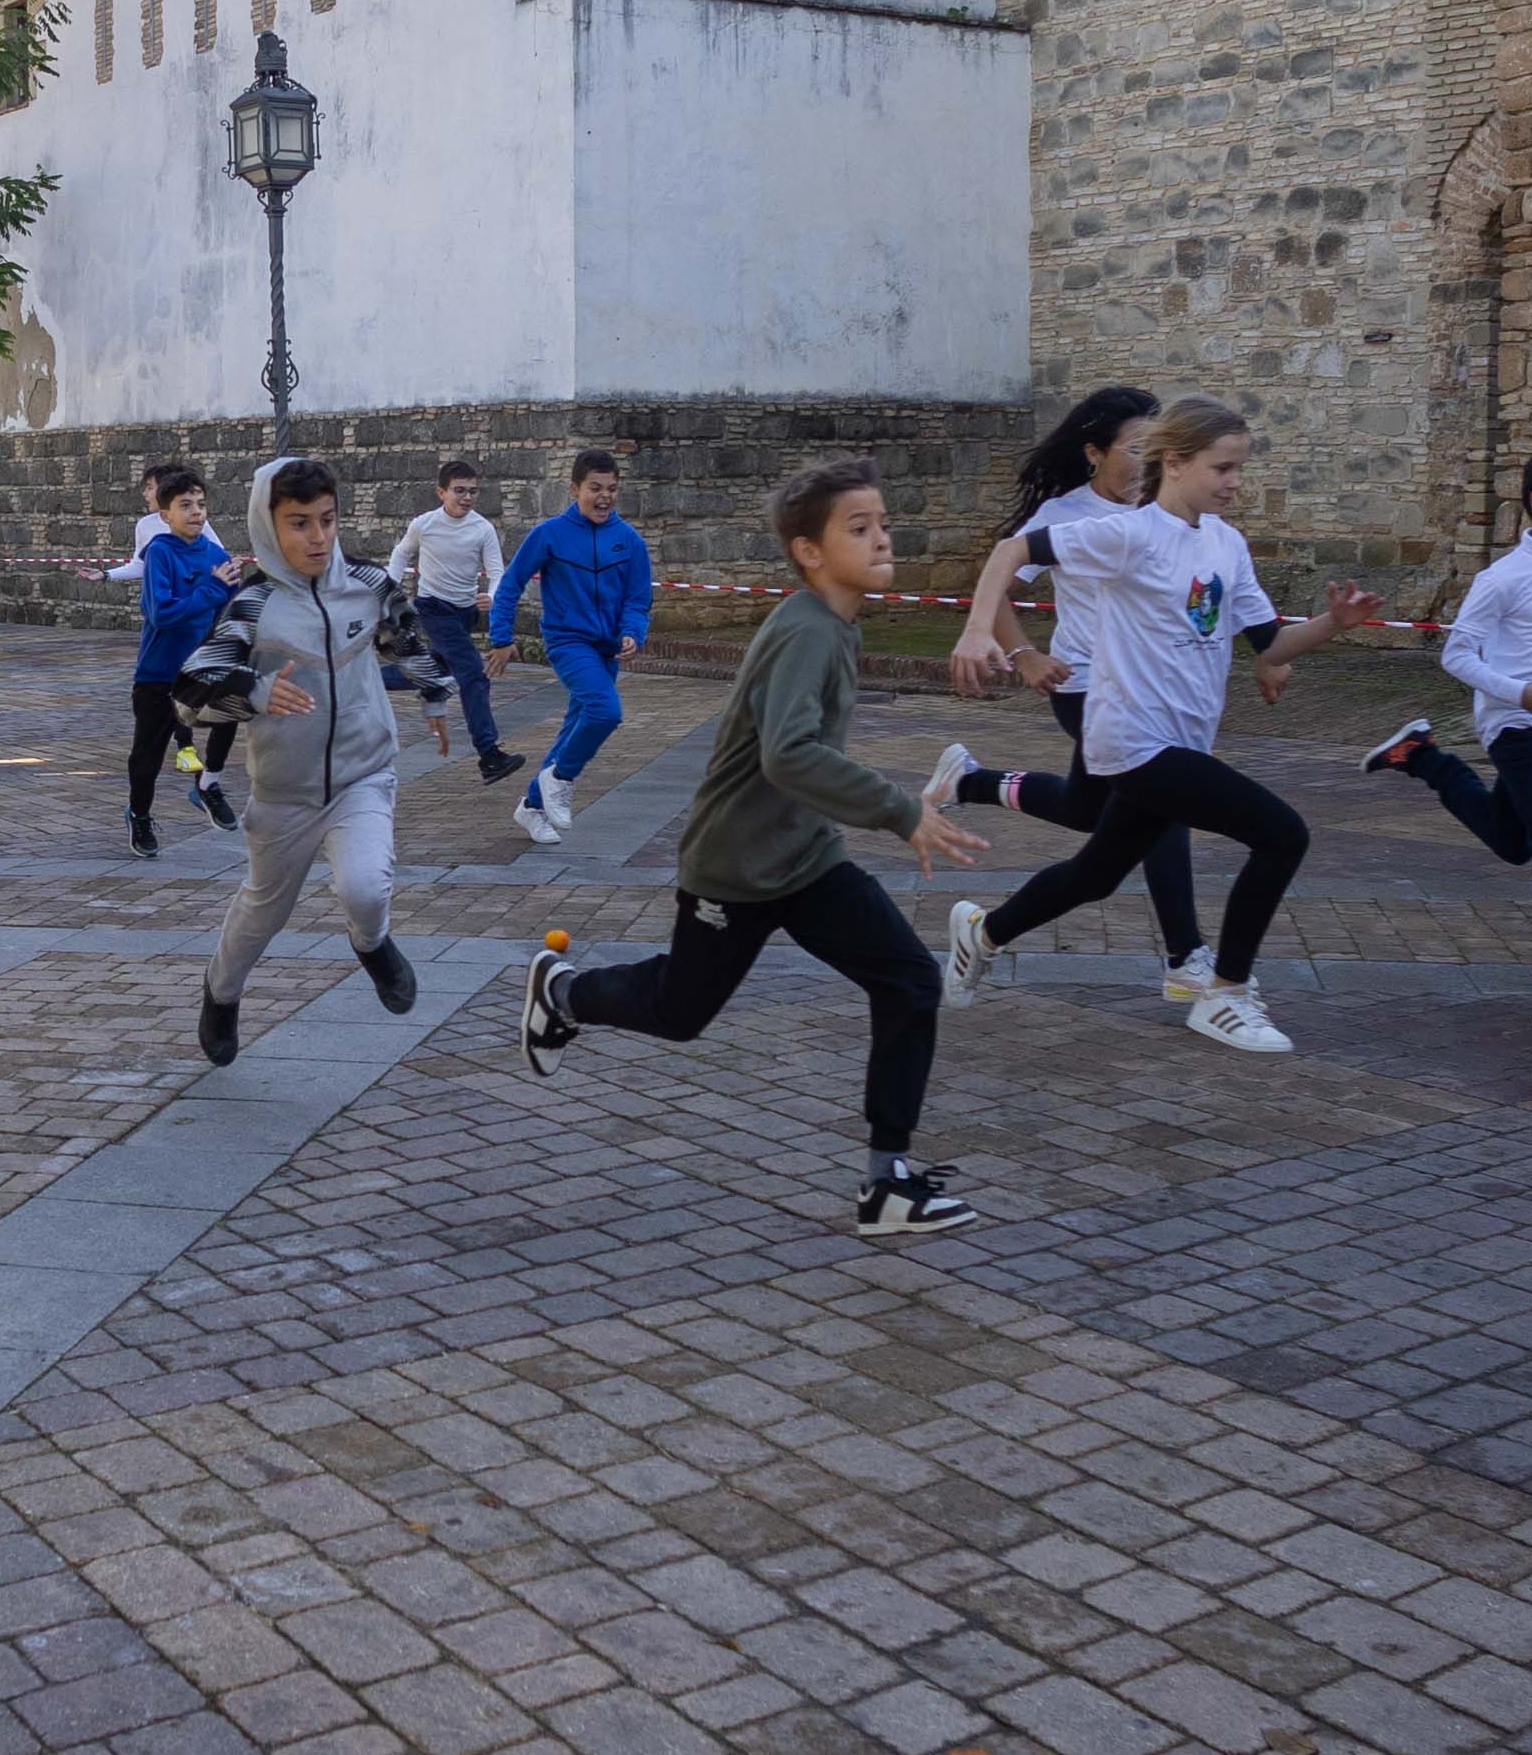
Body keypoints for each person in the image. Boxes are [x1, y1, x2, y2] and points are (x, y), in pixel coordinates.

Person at [514, 457, 989, 1234]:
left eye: (883, 524)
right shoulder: (805, 631)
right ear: (808, 550)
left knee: (907, 980)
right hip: (735, 865)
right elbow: (789, 755)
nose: (881, 539)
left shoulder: (835, 624)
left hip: (803, 858)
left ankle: (887, 1183)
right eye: (858, 528)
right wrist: (900, 812)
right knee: (678, 1011)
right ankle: (560, 994)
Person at [936, 398, 1378, 1056]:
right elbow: (1011, 551)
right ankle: (1224, 994)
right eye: (1222, 468)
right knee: (1282, 834)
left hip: (1181, 740)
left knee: (1096, 874)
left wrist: (1330, 627)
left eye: (1239, 469)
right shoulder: (1128, 536)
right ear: (1174, 462)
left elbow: (1270, 645)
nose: (1234, 482)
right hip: (1133, 742)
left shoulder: (1226, 544)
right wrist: (981, 633)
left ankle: (984, 932)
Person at [943, 387, 1206, 999]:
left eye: (1158, 448)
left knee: (1091, 813)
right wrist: (1023, 653)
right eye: (1136, 448)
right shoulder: (1063, 516)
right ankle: (1186, 960)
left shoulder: (1172, 512)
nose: (1149, 461)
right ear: (1094, 452)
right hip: (1088, 687)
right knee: (1164, 806)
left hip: (1156, 692)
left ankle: (971, 783)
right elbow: (1002, 579)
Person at [1361, 436, 1532, 1020]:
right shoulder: (1502, 578)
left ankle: (1423, 755)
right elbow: (1456, 656)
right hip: (1514, 726)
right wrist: (1518, 692)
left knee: (1514, 844)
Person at [178, 456, 430, 1063]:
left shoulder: (368, 585)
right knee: (261, 913)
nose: (317, 538)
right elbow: (189, 693)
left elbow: (409, 638)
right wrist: (256, 693)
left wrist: (440, 694)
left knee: (366, 887)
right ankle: (221, 993)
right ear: (268, 527)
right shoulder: (251, 605)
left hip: (363, 776)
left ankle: (372, 946)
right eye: (298, 524)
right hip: (284, 795)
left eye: (327, 520)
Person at [494, 448, 652, 848]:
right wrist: (501, 637)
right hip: (567, 642)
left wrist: (633, 632)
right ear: (574, 488)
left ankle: (532, 806)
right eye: (594, 488)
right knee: (605, 710)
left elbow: (637, 599)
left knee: (576, 726)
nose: (604, 497)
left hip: (608, 650)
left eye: (611, 489)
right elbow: (510, 585)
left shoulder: (629, 540)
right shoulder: (549, 534)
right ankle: (560, 778)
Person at [383, 458, 518, 786]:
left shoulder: (483, 529)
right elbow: (401, 554)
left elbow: (498, 572)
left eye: (472, 491)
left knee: (435, 671)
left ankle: (362, 677)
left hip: (465, 613)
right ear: (441, 492)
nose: (466, 497)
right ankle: (489, 755)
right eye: (459, 491)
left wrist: (492, 596)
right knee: (473, 674)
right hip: (432, 609)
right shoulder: (425, 524)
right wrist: (385, 594)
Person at [127, 463, 233, 858]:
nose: (196, 513)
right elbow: (163, 613)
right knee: (148, 755)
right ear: (165, 515)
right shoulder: (159, 553)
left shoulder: (216, 553)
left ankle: (208, 784)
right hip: (158, 671)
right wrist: (209, 589)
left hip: (199, 668)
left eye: (201, 504)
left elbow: (230, 601)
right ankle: (139, 814)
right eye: (185, 505)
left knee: (234, 707)